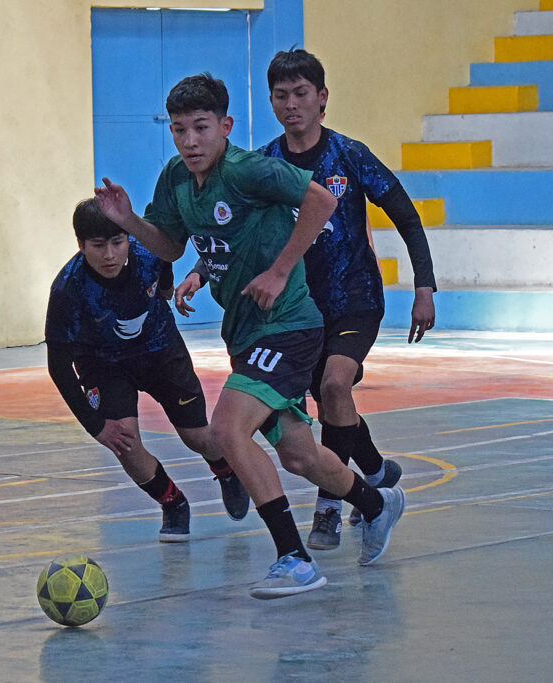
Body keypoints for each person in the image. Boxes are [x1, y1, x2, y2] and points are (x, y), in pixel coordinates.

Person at [94, 73, 405, 599]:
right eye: (178, 130)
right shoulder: (175, 177)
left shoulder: (249, 169)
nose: (189, 141)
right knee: (300, 456)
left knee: (228, 430)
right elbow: (169, 247)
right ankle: (378, 505)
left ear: (225, 126)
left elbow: (321, 202)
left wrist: (282, 269)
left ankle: (294, 560)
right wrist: (129, 223)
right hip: (244, 333)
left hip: (289, 324)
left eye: (200, 128)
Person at [176, 49, 436, 550]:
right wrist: (198, 269)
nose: (291, 104)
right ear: (271, 102)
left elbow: (406, 214)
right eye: (280, 95)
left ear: (322, 99)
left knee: (335, 385)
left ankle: (329, 506)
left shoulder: (350, 155)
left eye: (301, 94)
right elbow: (240, 237)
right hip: (295, 311)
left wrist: (424, 285)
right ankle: (375, 470)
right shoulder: (265, 164)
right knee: (324, 397)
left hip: (353, 298)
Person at [44, 198, 251, 543]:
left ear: (129, 238)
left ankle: (226, 470)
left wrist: (170, 289)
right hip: (103, 365)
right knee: (123, 443)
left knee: (198, 436)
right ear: (80, 245)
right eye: (97, 246)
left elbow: (167, 263)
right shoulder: (67, 290)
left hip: (160, 351)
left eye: (117, 242)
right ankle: (172, 502)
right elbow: (58, 365)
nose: (109, 255)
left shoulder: (149, 254)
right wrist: (96, 426)